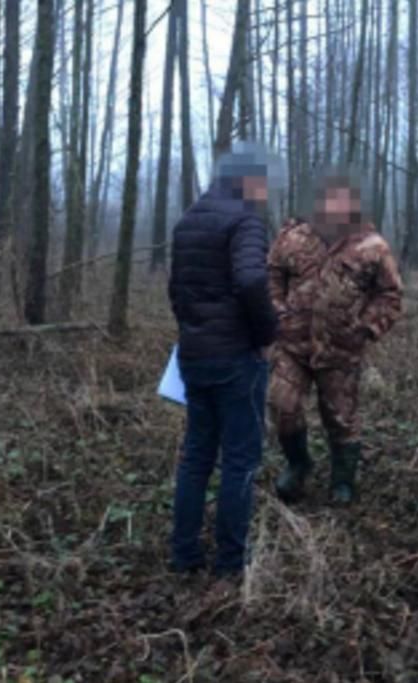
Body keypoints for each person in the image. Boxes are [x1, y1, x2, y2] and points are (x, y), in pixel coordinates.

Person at [167, 142, 282, 578]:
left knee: (196, 457)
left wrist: (192, 331)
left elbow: (176, 291)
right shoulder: (245, 221)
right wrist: (267, 335)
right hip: (236, 358)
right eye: (263, 182)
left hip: (195, 357)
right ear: (247, 180)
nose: (266, 191)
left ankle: (185, 555)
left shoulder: (188, 221)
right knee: (239, 460)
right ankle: (231, 565)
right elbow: (252, 279)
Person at [268, 170, 404, 505]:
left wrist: (366, 327)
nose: (336, 206)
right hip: (293, 346)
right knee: (282, 405)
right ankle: (298, 466)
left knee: (341, 419)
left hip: (341, 350)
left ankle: (342, 481)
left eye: (343, 199)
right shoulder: (294, 237)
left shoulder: (372, 246)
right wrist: (277, 309)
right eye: (330, 198)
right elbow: (271, 274)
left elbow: (390, 295)